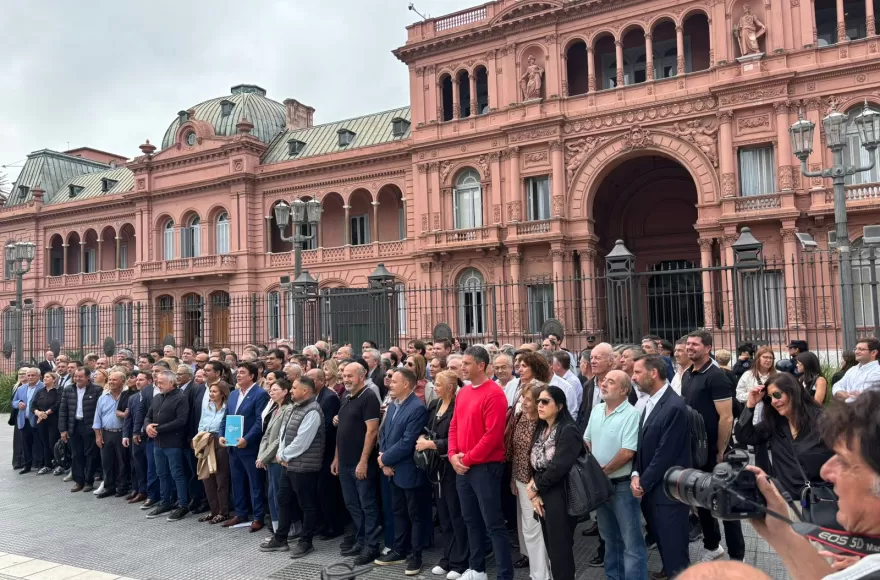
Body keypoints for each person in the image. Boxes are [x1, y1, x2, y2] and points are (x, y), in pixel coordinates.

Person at [745, 389, 880, 579]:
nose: (826, 471)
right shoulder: (775, 424)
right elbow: (745, 435)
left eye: (844, 461)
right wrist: (780, 533)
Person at [448, 346, 513, 580]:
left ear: (481, 365)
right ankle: (477, 569)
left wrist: (466, 458)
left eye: (466, 363)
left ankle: (505, 574)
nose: (462, 367)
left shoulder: (494, 394)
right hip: (463, 465)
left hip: (485, 467)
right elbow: (454, 425)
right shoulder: (463, 392)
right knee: (470, 519)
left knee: (493, 523)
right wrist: (453, 454)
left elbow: (493, 435)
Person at [682, 330, 745, 562]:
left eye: (695, 344)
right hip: (696, 451)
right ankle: (712, 547)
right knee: (702, 500)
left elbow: (726, 417)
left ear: (708, 348)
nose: (690, 348)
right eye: (688, 344)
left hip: (717, 453)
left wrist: (720, 450)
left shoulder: (716, 376)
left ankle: (738, 557)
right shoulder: (688, 374)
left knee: (726, 505)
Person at [631, 354, 692, 577]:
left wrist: (643, 482)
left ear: (653, 373)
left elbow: (665, 453)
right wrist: (636, 473)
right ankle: (669, 570)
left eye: (637, 372)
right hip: (651, 486)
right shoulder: (650, 401)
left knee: (674, 543)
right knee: (664, 540)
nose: (633, 377)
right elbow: (642, 443)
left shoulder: (674, 406)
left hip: (668, 490)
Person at [585, 370, 646, 580]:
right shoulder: (597, 410)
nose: (603, 384)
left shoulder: (632, 415)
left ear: (624, 390)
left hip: (621, 487)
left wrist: (602, 471)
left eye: (611, 382)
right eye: (604, 381)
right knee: (609, 538)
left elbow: (628, 452)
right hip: (601, 486)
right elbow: (587, 440)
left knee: (631, 542)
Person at [735, 373, 832, 499]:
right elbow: (744, 436)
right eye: (769, 398)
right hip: (787, 502)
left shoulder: (823, 420)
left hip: (820, 501)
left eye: (777, 394)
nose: (774, 401)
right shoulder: (775, 424)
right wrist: (750, 406)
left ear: (793, 392)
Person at [375, 367, 430, 576]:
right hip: (392, 469)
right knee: (398, 511)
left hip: (409, 470)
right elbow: (387, 435)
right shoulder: (393, 405)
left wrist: (385, 459)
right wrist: (383, 460)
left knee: (414, 514)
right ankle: (399, 549)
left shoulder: (417, 407)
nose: (389, 384)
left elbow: (408, 442)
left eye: (394, 381)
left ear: (406, 384)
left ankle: (415, 555)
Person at [525, 385, 581, 580]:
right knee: (551, 547)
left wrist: (535, 487)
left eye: (545, 401)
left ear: (559, 406)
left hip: (562, 494)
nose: (539, 405)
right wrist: (536, 493)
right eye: (538, 401)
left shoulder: (568, 430)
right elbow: (533, 461)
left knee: (560, 550)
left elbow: (559, 467)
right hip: (544, 493)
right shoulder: (541, 428)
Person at [416, 370, 469, 579]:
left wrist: (432, 444)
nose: (434, 387)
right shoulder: (435, 405)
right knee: (444, 515)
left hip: (452, 467)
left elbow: (459, 439)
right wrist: (423, 438)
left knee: (457, 514)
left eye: (438, 384)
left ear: (450, 387)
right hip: (436, 467)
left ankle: (460, 560)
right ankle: (448, 556)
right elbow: (427, 429)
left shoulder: (459, 406)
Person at [265, 376, 325, 558]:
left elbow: (302, 441)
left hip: (304, 467)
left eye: (294, 388)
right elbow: (284, 434)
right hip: (289, 464)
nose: (291, 391)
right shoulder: (295, 407)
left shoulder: (313, 410)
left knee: (307, 505)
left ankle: (306, 542)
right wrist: (281, 454)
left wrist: (283, 455)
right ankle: (280, 537)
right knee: (283, 499)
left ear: (305, 391)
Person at [332, 361, 382, 566]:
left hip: (361, 463)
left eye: (350, 376)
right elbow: (341, 431)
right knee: (352, 504)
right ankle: (360, 540)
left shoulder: (369, 397)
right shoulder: (345, 396)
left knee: (367, 505)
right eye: (344, 376)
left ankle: (372, 546)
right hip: (344, 462)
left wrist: (363, 462)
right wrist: (336, 457)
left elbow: (372, 432)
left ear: (362, 376)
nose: (346, 379)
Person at [505, 377, 550, 580]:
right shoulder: (521, 416)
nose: (524, 402)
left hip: (538, 484)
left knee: (536, 529)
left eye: (529, 399)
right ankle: (537, 571)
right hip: (521, 480)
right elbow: (515, 451)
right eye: (523, 398)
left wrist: (536, 486)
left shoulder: (545, 423)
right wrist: (514, 479)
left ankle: (541, 574)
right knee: (527, 528)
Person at [145, 369, 191, 521]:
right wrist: (147, 427)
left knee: (177, 474)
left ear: (172, 383)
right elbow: (148, 416)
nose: (158, 385)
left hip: (173, 443)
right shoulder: (157, 397)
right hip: (158, 442)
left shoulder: (181, 398)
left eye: (161, 382)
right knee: (161, 474)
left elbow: (181, 421)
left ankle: (183, 505)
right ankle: (165, 502)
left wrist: (157, 429)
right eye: (157, 382)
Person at [307, 368, 344, 541]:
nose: (309, 382)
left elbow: (328, 426)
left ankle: (334, 525)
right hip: (317, 452)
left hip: (327, 450)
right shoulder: (314, 396)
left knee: (327, 490)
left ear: (321, 380)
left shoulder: (329, 397)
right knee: (317, 490)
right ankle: (323, 523)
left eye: (312, 379)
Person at [257, 379, 294, 533]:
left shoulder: (288, 409)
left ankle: (287, 530)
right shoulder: (275, 409)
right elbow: (266, 435)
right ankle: (276, 528)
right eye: (270, 389)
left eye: (275, 389)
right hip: (268, 458)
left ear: (285, 392)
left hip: (278, 458)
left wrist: (264, 457)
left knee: (280, 495)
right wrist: (261, 456)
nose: (271, 392)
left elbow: (280, 438)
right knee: (272, 494)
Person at [194, 380, 230, 524]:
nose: (211, 394)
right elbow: (201, 424)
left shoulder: (227, 408)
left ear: (222, 393)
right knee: (207, 478)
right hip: (205, 440)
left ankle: (224, 511)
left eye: (215, 391)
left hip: (219, 441)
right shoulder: (207, 407)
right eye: (210, 391)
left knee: (221, 478)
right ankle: (214, 510)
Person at [60, 368, 102, 492]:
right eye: (75, 377)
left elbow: (99, 411)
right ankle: (79, 481)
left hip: (89, 426)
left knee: (91, 454)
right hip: (74, 425)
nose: (77, 379)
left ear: (88, 377)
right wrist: (63, 429)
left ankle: (89, 481)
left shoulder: (96, 390)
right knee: (76, 454)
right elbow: (63, 410)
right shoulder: (68, 389)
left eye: (80, 377)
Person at [93, 371, 129, 498]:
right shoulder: (103, 398)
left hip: (121, 433)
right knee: (107, 462)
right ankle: (109, 487)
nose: (111, 382)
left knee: (122, 462)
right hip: (107, 433)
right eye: (110, 380)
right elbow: (97, 418)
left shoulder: (127, 397)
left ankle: (122, 486)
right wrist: (98, 435)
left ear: (122, 382)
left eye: (115, 380)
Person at [12, 368, 45, 474]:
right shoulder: (21, 388)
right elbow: (13, 401)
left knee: (39, 443)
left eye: (33, 375)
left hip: (37, 420)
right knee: (26, 444)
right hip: (23, 420)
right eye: (28, 375)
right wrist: (18, 404)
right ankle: (27, 465)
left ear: (39, 376)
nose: (30, 377)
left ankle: (41, 464)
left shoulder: (43, 387)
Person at [122, 371, 147, 503]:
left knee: (148, 466)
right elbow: (128, 418)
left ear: (149, 381)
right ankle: (139, 490)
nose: (137, 382)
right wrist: (125, 435)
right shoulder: (133, 398)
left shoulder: (153, 397)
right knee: (137, 465)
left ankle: (148, 492)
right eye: (137, 380)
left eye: (141, 380)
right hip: (134, 436)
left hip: (147, 436)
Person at [832, 337, 880, 402]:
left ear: (873, 352)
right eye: (856, 349)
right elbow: (836, 386)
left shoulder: (877, 372)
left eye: (861, 349)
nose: (856, 352)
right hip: (847, 410)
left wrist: (844, 395)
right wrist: (844, 394)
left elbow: (863, 397)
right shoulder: (852, 369)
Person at [31, 371, 60, 475]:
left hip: (53, 421)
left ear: (54, 379)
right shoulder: (40, 392)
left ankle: (58, 464)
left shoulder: (58, 391)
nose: (45, 378)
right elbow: (33, 405)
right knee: (45, 443)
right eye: (44, 377)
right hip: (41, 421)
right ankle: (47, 465)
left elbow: (57, 405)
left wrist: (45, 413)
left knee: (53, 443)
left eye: (47, 377)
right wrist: (38, 412)